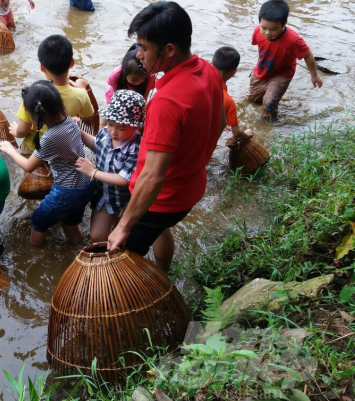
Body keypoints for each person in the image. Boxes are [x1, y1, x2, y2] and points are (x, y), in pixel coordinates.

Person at [107, 1, 226, 272]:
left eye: (144, 47)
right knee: (161, 229)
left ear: (169, 49)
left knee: (122, 258)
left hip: (161, 199)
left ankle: (136, 299)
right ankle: (163, 271)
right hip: (191, 187)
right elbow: (219, 123)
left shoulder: (167, 102)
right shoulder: (208, 70)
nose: (138, 55)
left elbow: (153, 176)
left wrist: (123, 226)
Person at [0, 81, 93, 247]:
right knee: (70, 223)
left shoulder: (51, 137)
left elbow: (29, 166)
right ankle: (79, 249)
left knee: (38, 220)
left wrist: (10, 150)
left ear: (35, 116)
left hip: (66, 191)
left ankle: (36, 252)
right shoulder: (70, 121)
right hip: (84, 185)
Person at [74, 90, 145, 243]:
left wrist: (93, 172)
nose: (113, 131)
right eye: (110, 124)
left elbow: (124, 179)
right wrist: (78, 131)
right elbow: (96, 145)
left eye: (121, 128)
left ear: (136, 127)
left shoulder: (136, 147)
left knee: (126, 238)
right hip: (105, 196)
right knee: (97, 237)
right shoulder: (106, 133)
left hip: (127, 199)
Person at [10, 34, 95, 156]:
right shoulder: (80, 94)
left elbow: (24, 130)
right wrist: (82, 88)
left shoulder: (34, 94)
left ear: (42, 67)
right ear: (71, 63)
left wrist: (16, 132)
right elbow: (88, 115)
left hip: (34, 150)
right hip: (63, 149)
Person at [248, 0, 322, 122]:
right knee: (253, 100)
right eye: (264, 27)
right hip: (262, 70)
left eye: (273, 29)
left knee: (269, 103)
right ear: (259, 22)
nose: (267, 33)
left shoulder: (293, 40)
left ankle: (269, 127)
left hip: (282, 74)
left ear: (284, 24)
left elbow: (307, 55)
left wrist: (314, 75)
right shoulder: (257, 31)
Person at [212, 46, 254, 140]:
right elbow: (236, 133)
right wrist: (247, 134)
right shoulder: (228, 101)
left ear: (211, 63)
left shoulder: (197, 80)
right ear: (234, 72)